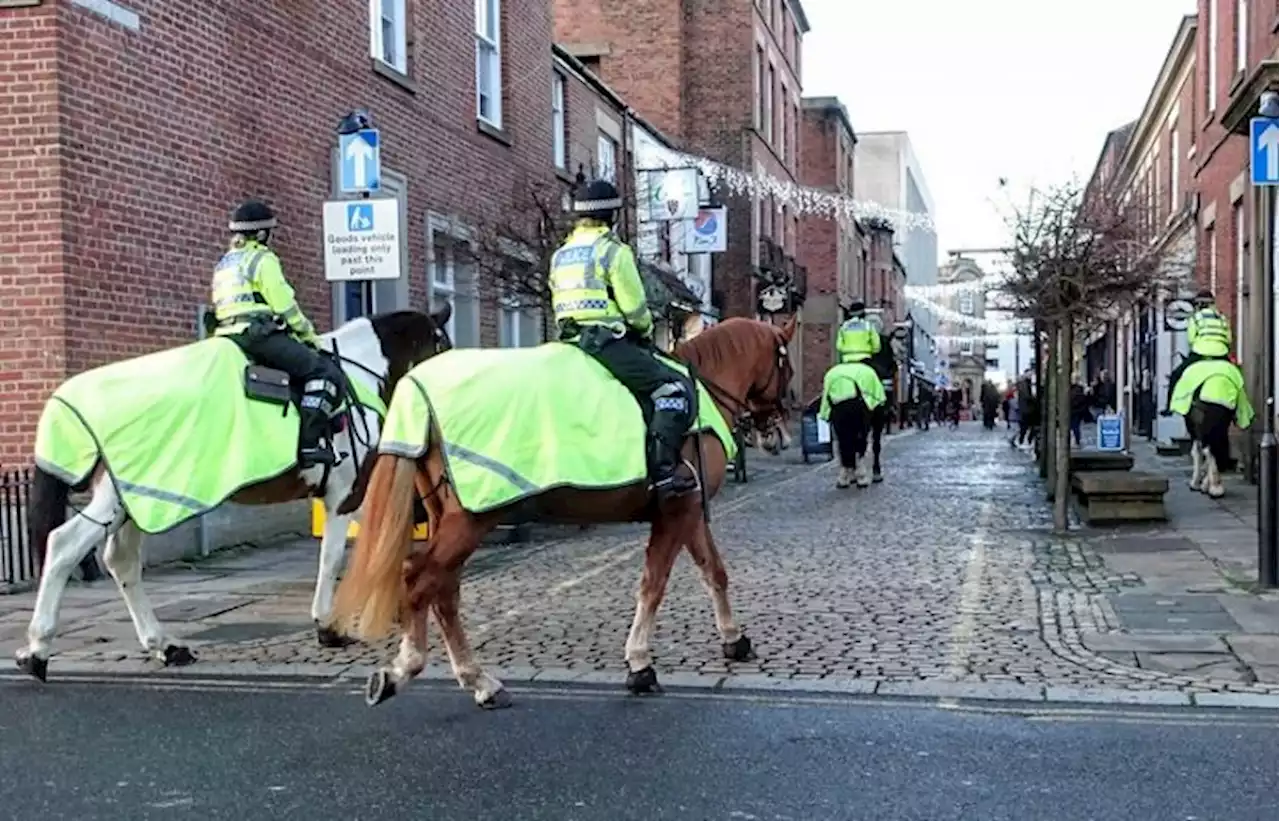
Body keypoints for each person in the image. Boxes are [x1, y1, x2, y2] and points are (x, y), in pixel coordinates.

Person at [548, 179, 697, 502]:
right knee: (670, 388)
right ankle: (664, 472)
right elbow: (635, 308)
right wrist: (644, 329)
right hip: (606, 343)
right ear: (611, 215)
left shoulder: (561, 255)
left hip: (568, 341)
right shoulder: (612, 251)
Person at [209, 199, 344, 468]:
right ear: (261, 233)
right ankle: (308, 445)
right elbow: (284, 306)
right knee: (324, 372)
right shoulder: (262, 259)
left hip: (226, 335)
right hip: (257, 336)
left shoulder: (225, 262)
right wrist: (309, 337)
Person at [1164, 289, 1232, 415]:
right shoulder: (1222, 318)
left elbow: (1191, 339)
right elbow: (1229, 339)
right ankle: (1241, 412)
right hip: (1221, 354)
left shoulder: (1196, 318)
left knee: (1176, 375)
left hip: (1200, 353)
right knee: (1236, 378)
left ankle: (1169, 407)